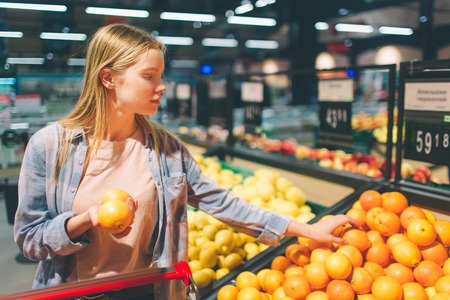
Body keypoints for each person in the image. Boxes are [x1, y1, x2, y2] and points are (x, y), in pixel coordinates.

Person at [14, 23, 359, 299]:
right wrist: (87, 219)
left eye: (161, 76)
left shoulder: (167, 149)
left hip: (149, 291)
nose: (161, 86)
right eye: (149, 76)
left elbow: (223, 204)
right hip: (77, 292)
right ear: (109, 78)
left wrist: (308, 230)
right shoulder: (51, 146)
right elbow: (30, 239)